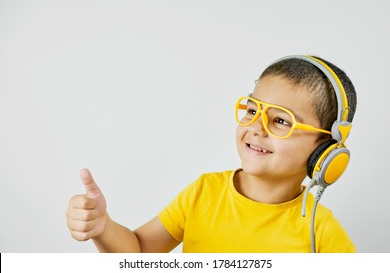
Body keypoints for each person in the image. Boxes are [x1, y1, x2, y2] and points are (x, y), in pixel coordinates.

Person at [66, 55, 357, 253]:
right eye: (253, 110)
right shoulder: (204, 192)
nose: (256, 127)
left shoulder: (320, 230)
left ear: (326, 147)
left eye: (281, 120)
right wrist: (103, 227)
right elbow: (139, 251)